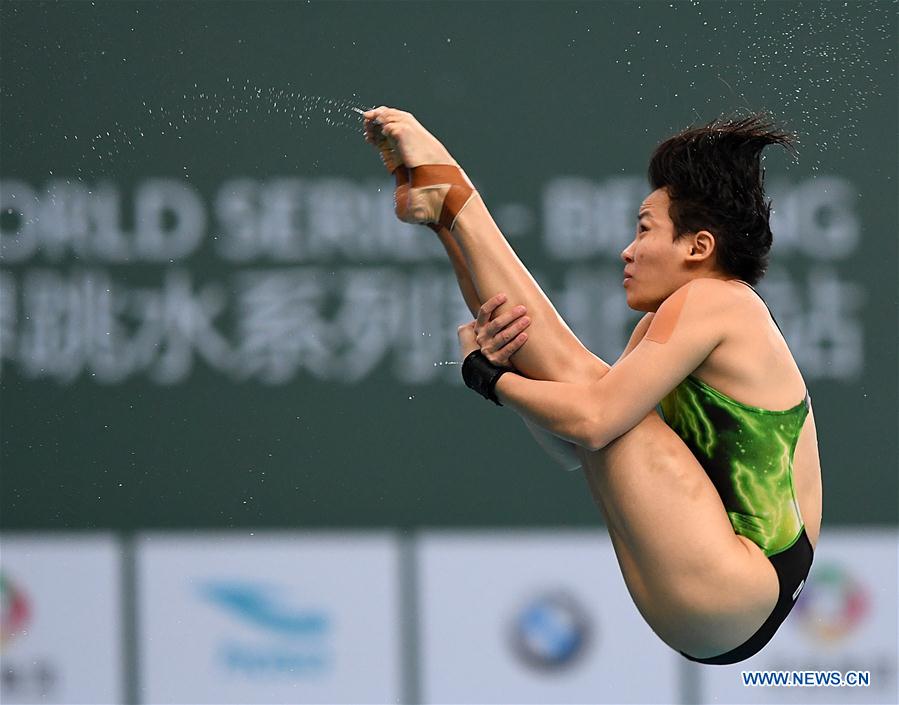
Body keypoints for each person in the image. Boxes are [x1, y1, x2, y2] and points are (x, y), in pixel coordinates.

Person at [362, 107, 822, 665]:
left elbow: (592, 419)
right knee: (579, 384)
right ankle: (447, 217)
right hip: (722, 601)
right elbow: (572, 446)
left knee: (589, 388)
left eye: (645, 229)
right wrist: (501, 371)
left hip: (741, 579)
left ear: (698, 247)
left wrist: (492, 379)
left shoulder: (718, 299)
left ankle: (456, 201)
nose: (627, 251)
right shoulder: (666, 324)